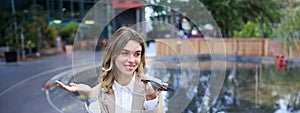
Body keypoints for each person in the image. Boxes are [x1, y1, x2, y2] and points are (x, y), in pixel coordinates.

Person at [55, 27, 168, 113]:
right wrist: (89, 93)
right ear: (113, 55)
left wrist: (151, 99)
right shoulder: (101, 90)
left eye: (137, 54)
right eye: (125, 53)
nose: (132, 60)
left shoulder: (153, 87)